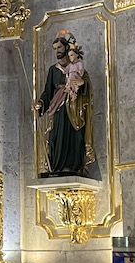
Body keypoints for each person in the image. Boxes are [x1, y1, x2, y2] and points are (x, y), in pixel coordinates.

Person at [35, 30, 96, 177]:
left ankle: (73, 166)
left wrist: (82, 83)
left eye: (59, 48)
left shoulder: (78, 68)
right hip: (58, 109)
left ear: (67, 49)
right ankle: (57, 167)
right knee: (56, 136)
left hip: (74, 109)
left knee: (74, 136)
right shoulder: (53, 70)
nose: (57, 51)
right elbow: (47, 91)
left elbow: (88, 88)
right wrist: (41, 104)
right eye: (55, 49)